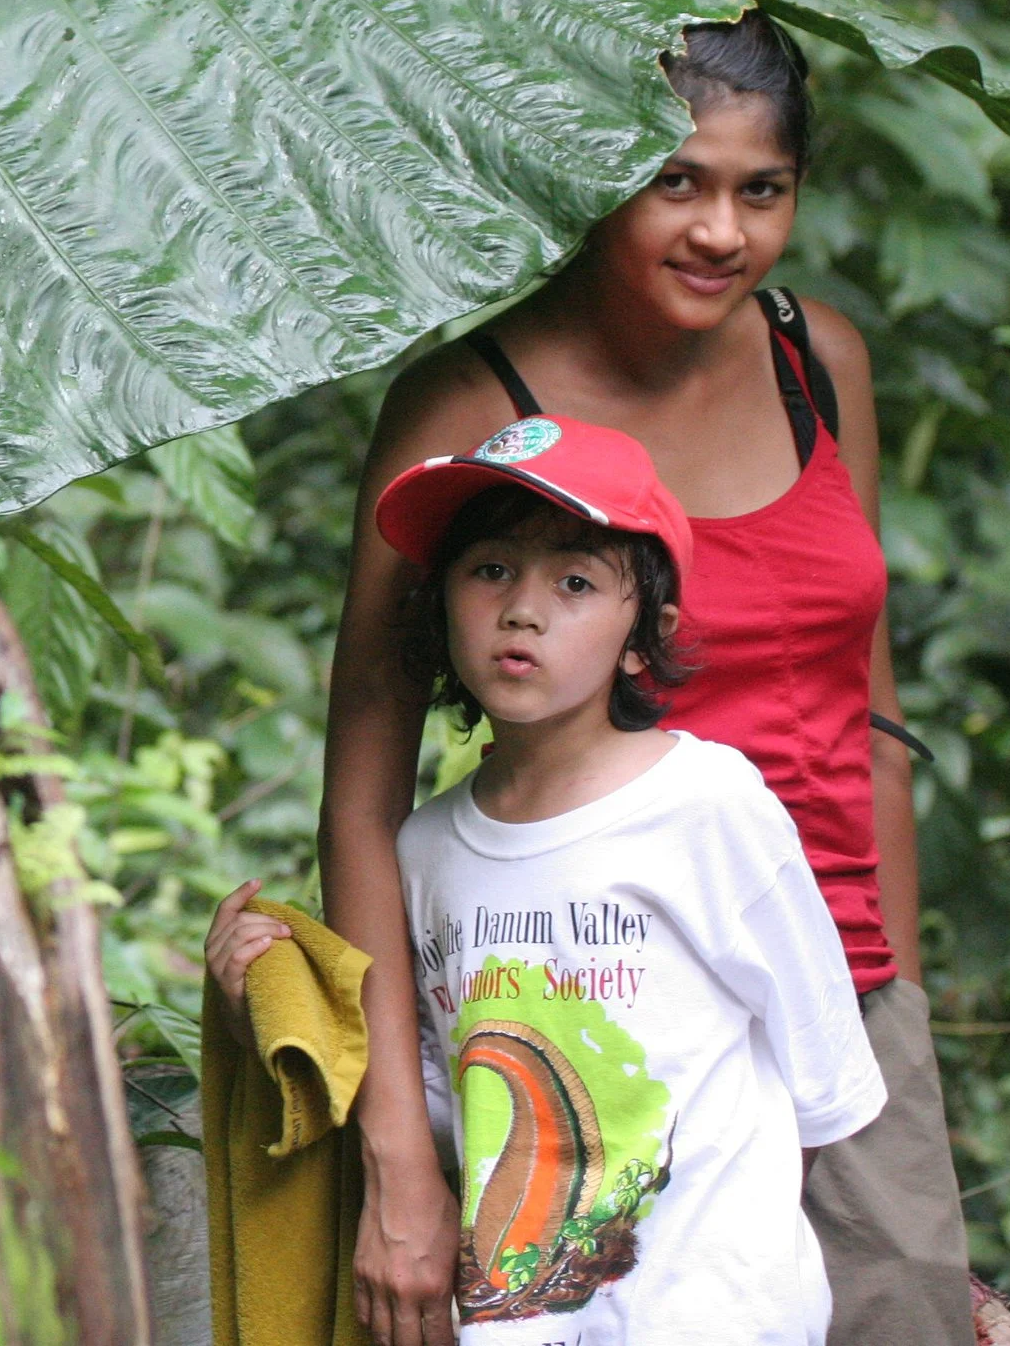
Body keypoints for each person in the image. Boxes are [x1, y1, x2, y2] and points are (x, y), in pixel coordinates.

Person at [302, 12, 969, 1346]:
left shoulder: (818, 363)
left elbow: (871, 706)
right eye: (679, 181)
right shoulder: (462, 403)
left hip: (840, 984)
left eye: (759, 190)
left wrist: (896, 1021)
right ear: (593, 168)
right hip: (599, 997)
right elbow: (360, 806)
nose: (720, 229)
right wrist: (400, 1158)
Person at [211, 416, 886, 1344]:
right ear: (442, 603)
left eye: (574, 580)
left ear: (647, 635)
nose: (523, 608)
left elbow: (827, 1081)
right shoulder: (426, 850)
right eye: (490, 570)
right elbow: (451, 1104)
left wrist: (729, 1274)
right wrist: (267, 1002)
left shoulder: (706, 801)